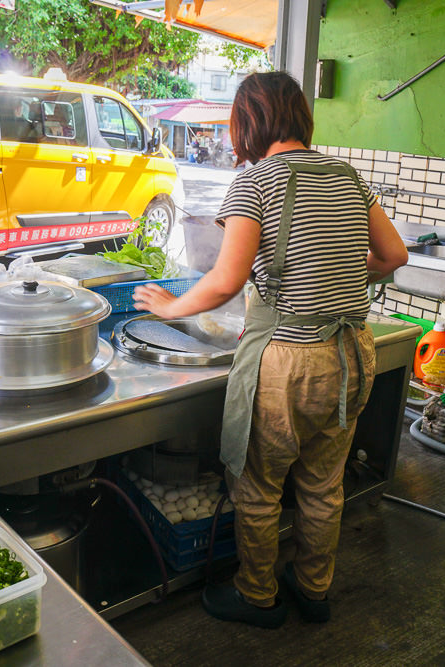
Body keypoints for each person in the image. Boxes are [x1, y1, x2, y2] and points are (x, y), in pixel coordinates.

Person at [132, 71, 408, 628]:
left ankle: (257, 595)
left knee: (258, 488)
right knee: (323, 484)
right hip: (352, 353)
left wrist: (170, 306)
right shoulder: (348, 175)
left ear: (249, 123)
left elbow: (225, 280)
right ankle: (313, 589)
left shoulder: (254, 181)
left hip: (290, 362)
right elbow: (393, 255)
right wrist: (335, 280)